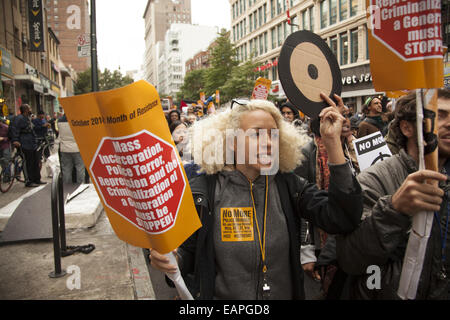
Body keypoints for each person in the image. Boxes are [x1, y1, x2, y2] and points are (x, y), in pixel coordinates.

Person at [149, 95, 363, 300]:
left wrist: (333, 141)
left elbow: (343, 217)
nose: (269, 143)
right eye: (256, 134)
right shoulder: (204, 192)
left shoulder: (290, 186)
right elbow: (185, 261)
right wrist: (171, 260)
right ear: (232, 141)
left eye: (273, 134)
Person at [336, 89, 450, 299]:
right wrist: (394, 210)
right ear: (406, 127)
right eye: (439, 115)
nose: (449, 123)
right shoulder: (373, 180)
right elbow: (351, 259)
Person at [295, 95, 360, 299]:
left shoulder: (351, 150)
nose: (345, 123)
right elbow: (302, 203)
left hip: (350, 239)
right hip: (320, 238)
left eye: (346, 119)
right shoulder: (305, 154)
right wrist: (306, 249)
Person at [10, 104, 46, 187]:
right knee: (27, 162)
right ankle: (29, 181)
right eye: (29, 108)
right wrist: (15, 140)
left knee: (35, 161)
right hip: (24, 143)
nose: (31, 109)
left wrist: (36, 140)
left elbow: (32, 129)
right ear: (26, 109)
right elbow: (15, 129)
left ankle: (37, 179)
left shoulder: (28, 118)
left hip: (32, 143)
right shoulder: (19, 118)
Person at [57, 114, 85, 184]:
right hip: (77, 148)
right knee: (80, 168)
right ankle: (80, 185)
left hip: (64, 148)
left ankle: (67, 187)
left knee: (66, 170)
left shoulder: (59, 121)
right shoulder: (77, 120)